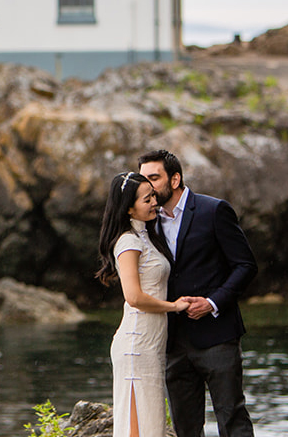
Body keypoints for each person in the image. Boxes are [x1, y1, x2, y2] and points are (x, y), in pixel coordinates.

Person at [138, 149, 258, 437]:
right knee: (185, 427)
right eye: (143, 180)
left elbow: (245, 265)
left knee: (232, 419)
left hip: (217, 335)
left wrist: (212, 302)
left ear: (175, 179)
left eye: (154, 178)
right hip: (172, 341)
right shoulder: (146, 222)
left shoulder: (213, 210)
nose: (147, 187)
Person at [97, 171, 190, 437]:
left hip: (150, 344)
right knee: (140, 431)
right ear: (128, 208)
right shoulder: (128, 241)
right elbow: (134, 297)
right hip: (137, 346)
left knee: (152, 428)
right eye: (147, 199)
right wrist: (174, 306)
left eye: (153, 196)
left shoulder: (147, 236)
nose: (154, 202)